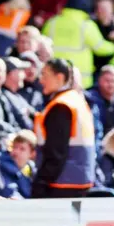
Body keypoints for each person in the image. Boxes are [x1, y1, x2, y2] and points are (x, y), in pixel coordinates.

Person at [32, 59, 96, 198]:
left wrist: (41, 182)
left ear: (59, 77)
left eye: (44, 75)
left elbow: (56, 152)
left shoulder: (61, 106)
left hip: (60, 182)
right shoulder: (76, 100)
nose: (40, 80)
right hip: (79, 179)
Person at [0, 130, 36, 199]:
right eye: (15, 147)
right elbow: (9, 194)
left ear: (32, 154)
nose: (16, 152)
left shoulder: (31, 169)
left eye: (22, 149)